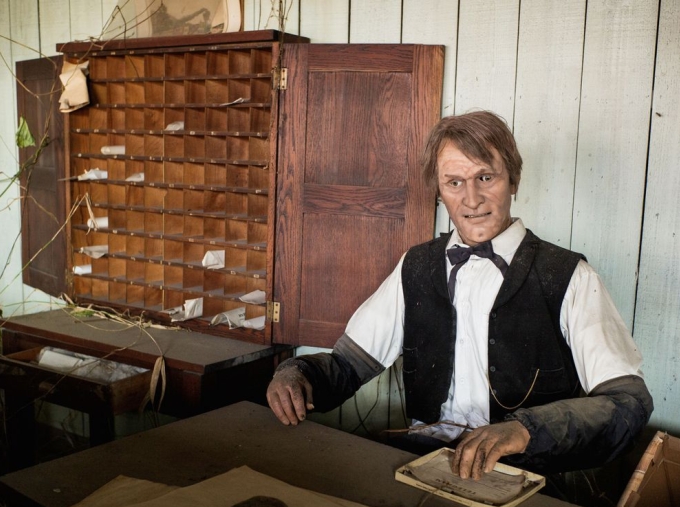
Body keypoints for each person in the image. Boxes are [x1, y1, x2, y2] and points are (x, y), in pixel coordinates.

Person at [266, 110, 653, 483]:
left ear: (514, 180)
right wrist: (296, 374)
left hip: (528, 473)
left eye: (486, 177)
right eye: (455, 183)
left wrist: (524, 431)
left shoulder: (570, 277)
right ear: (439, 191)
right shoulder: (415, 266)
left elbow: (627, 404)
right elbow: (347, 368)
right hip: (425, 461)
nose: (472, 199)